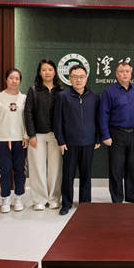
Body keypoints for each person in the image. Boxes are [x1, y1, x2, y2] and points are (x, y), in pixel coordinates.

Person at [53, 64, 100, 216]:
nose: (78, 80)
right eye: (75, 77)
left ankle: (85, 203)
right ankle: (66, 203)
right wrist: (61, 141)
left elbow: (98, 118)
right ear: (70, 78)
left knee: (86, 174)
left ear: (86, 78)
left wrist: (97, 138)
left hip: (89, 141)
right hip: (69, 143)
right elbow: (57, 121)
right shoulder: (63, 96)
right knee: (68, 174)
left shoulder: (94, 96)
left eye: (81, 77)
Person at [99, 61, 134, 203]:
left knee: (132, 166)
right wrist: (106, 135)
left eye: (127, 71)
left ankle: (131, 195)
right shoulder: (109, 91)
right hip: (116, 134)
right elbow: (103, 114)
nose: (125, 74)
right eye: (121, 71)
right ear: (116, 74)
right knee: (116, 168)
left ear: (131, 73)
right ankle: (117, 198)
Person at [0, 68, 29, 213]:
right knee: (4, 170)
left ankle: (19, 197)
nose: (14, 81)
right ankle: (5, 198)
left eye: (17, 78)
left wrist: (26, 136)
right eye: (11, 78)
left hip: (20, 139)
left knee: (20, 169)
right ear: (6, 80)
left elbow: (28, 119)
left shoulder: (24, 98)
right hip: (2, 139)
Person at [24, 59, 63, 211]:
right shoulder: (33, 90)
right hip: (37, 135)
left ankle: (54, 198)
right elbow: (28, 113)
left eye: (50, 69)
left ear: (55, 72)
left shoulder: (61, 91)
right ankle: (39, 199)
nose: (47, 72)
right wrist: (31, 134)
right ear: (39, 72)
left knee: (55, 168)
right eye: (44, 70)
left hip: (56, 135)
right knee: (37, 168)